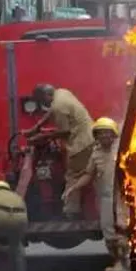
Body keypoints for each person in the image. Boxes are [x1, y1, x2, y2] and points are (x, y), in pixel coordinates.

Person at [62, 117, 127, 271]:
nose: (104, 136)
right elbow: (88, 175)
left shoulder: (122, 149)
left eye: (107, 133)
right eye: (100, 133)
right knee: (109, 233)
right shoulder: (96, 154)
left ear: (114, 134)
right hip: (105, 199)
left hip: (122, 198)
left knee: (123, 230)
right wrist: (73, 188)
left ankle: (126, 264)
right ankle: (119, 264)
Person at [25, 84, 94, 220]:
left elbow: (65, 131)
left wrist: (43, 136)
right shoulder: (62, 93)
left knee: (73, 175)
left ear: (46, 96)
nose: (43, 105)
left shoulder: (58, 107)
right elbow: (51, 112)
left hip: (81, 144)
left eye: (42, 101)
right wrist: (36, 127)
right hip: (90, 137)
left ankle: (71, 212)